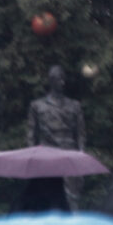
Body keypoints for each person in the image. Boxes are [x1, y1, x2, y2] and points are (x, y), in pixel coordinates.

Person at [27, 65, 85, 209]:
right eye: (59, 79)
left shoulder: (74, 106)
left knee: (72, 196)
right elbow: (31, 135)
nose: (62, 83)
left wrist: (81, 157)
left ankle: (73, 220)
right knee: (46, 194)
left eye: (63, 79)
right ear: (51, 81)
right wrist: (32, 158)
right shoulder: (37, 106)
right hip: (47, 155)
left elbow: (81, 134)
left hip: (69, 154)